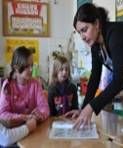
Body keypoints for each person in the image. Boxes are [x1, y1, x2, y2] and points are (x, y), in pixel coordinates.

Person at [65, 2, 123, 129]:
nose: (82, 37)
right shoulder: (95, 45)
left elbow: (119, 79)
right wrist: (84, 108)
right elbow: (94, 78)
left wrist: (92, 107)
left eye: (84, 30)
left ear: (96, 24)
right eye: (79, 32)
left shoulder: (116, 34)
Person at [0, 46, 49, 146]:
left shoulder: (35, 84)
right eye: (27, 66)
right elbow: (3, 114)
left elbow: (45, 108)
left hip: (33, 131)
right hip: (15, 135)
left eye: (32, 65)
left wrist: (38, 116)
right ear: (16, 68)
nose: (31, 69)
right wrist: (25, 117)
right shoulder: (8, 85)